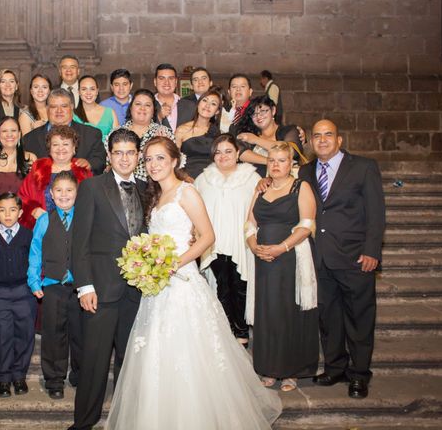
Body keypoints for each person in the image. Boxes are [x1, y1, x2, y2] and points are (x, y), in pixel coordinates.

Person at [105, 136, 282, 430]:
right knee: (156, 354)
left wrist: (176, 262)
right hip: (157, 287)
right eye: (148, 159)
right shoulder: (155, 196)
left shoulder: (186, 192)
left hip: (182, 283)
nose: (153, 164)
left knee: (189, 354)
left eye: (160, 158)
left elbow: (209, 236)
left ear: (175, 161)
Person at [300, 119, 385, 399]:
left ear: (339, 140)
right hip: (320, 257)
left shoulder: (363, 167)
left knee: (359, 318)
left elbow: (376, 213)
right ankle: (335, 367)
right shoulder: (305, 171)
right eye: (317, 136)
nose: (322, 140)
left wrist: (372, 250)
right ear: (311, 142)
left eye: (328, 135)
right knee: (329, 318)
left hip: (355, 257)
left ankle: (359, 374)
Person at [68, 129, 146, 430]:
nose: (124, 158)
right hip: (100, 289)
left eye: (130, 152)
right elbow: (80, 241)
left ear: (137, 155)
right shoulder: (91, 188)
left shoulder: (146, 187)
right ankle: (83, 423)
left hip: (138, 291)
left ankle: (127, 420)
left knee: (130, 362)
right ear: (109, 156)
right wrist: (85, 285)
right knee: (94, 362)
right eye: (119, 153)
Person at [246, 142, 318, 392]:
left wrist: (282, 248)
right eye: (272, 161)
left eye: (281, 160)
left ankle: (291, 372)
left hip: (290, 258)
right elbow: (249, 223)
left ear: (291, 164)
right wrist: (254, 246)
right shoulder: (260, 188)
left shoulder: (301, 187)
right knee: (267, 313)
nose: (276, 165)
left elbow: (307, 224)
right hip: (263, 260)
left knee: (289, 312)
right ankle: (268, 368)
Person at [195, 134, 261, 348]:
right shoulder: (203, 179)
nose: (223, 156)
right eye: (218, 152)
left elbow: (261, 209)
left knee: (241, 284)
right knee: (222, 286)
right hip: (213, 243)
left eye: (228, 151)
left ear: (238, 153)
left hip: (241, 241)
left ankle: (241, 332)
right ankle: (226, 330)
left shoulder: (252, 178)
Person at [28, 171, 82, 400]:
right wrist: (33, 279)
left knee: (80, 333)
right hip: (52, 285)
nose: (64, 194)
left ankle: (80, 374)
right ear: (51, 193)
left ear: (77, 193)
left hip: (80, 287)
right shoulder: (44, 220)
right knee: (53, 335)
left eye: (69, 190)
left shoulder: (85, 218)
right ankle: (54, 379)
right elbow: (35, 251)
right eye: (58, 190)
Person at [0, 192, 36, 398]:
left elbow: (36, 263)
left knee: (24, 335)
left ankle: (19, 375)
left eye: (12, 210)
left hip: (24, 292)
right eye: (2, 210)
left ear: (20, 212)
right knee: (1, 336)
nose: (7, 214)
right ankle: (3, 378)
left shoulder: (28, 236)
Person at [19, 125, 92, 229]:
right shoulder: (38, 169)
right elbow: (22, 197)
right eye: (55, 144)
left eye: (65, 144)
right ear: (49, 149)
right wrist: (33, 210)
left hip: (76, 230)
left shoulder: (83, 170)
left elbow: (91, 203)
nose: (60, 148)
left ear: (74, 148)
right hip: (44, 230)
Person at [23, 88, 106, 175]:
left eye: (64, 106)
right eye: (54, 107)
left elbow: (100, 161)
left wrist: (89, 164)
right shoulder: (30, 138)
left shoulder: (91, 135)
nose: (59, 111)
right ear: (47, 108)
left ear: (72, 107)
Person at [114, 88, 174, 181]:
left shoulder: (164, 133)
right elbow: (108, 165)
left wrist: (164, 144)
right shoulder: (116, 134)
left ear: (153, 110)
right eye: (138, 104)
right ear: (130, 107)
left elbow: (173, 163)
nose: (142, 108)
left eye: (147, 105)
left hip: (155, 186)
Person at [236, 95, 304, 177]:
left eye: (263, 111)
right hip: (257, 182)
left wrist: (256, 140)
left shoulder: (289, 130)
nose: (258, 116)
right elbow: (240, 153)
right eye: (254, 114)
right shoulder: (250, 133)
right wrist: (269, 161)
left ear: (273, 110)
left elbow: (291, 151)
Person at [0, 116, 35, 199]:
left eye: (13, 131)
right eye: (4, 131)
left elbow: (35, 193)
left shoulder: (31, 158)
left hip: (24, 210)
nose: (9, 134)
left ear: (19, 134)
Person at [175, 88, 222, 179]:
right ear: (198, 104)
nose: (207, 106)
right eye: (205, 101)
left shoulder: (216, 132)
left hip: (212, 178)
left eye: (213, 104)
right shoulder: (182, 130)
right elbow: (174, 160)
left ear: (217, 111)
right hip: (187, 177)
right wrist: (184, 176)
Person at [73, 75, 119, 140]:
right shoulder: (73, 116)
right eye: (84, 89)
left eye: (92, 89)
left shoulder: (110, 113)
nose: (88, 93)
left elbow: (118, 140)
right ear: (79, 92)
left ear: (97, 91)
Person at [153, 63, 194, 132]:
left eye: (171, 78)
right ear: (155, 82)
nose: (166, 82)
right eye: (162, 78)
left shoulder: (190, 106)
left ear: (176, 82)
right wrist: (159, 117)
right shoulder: (147, 104)